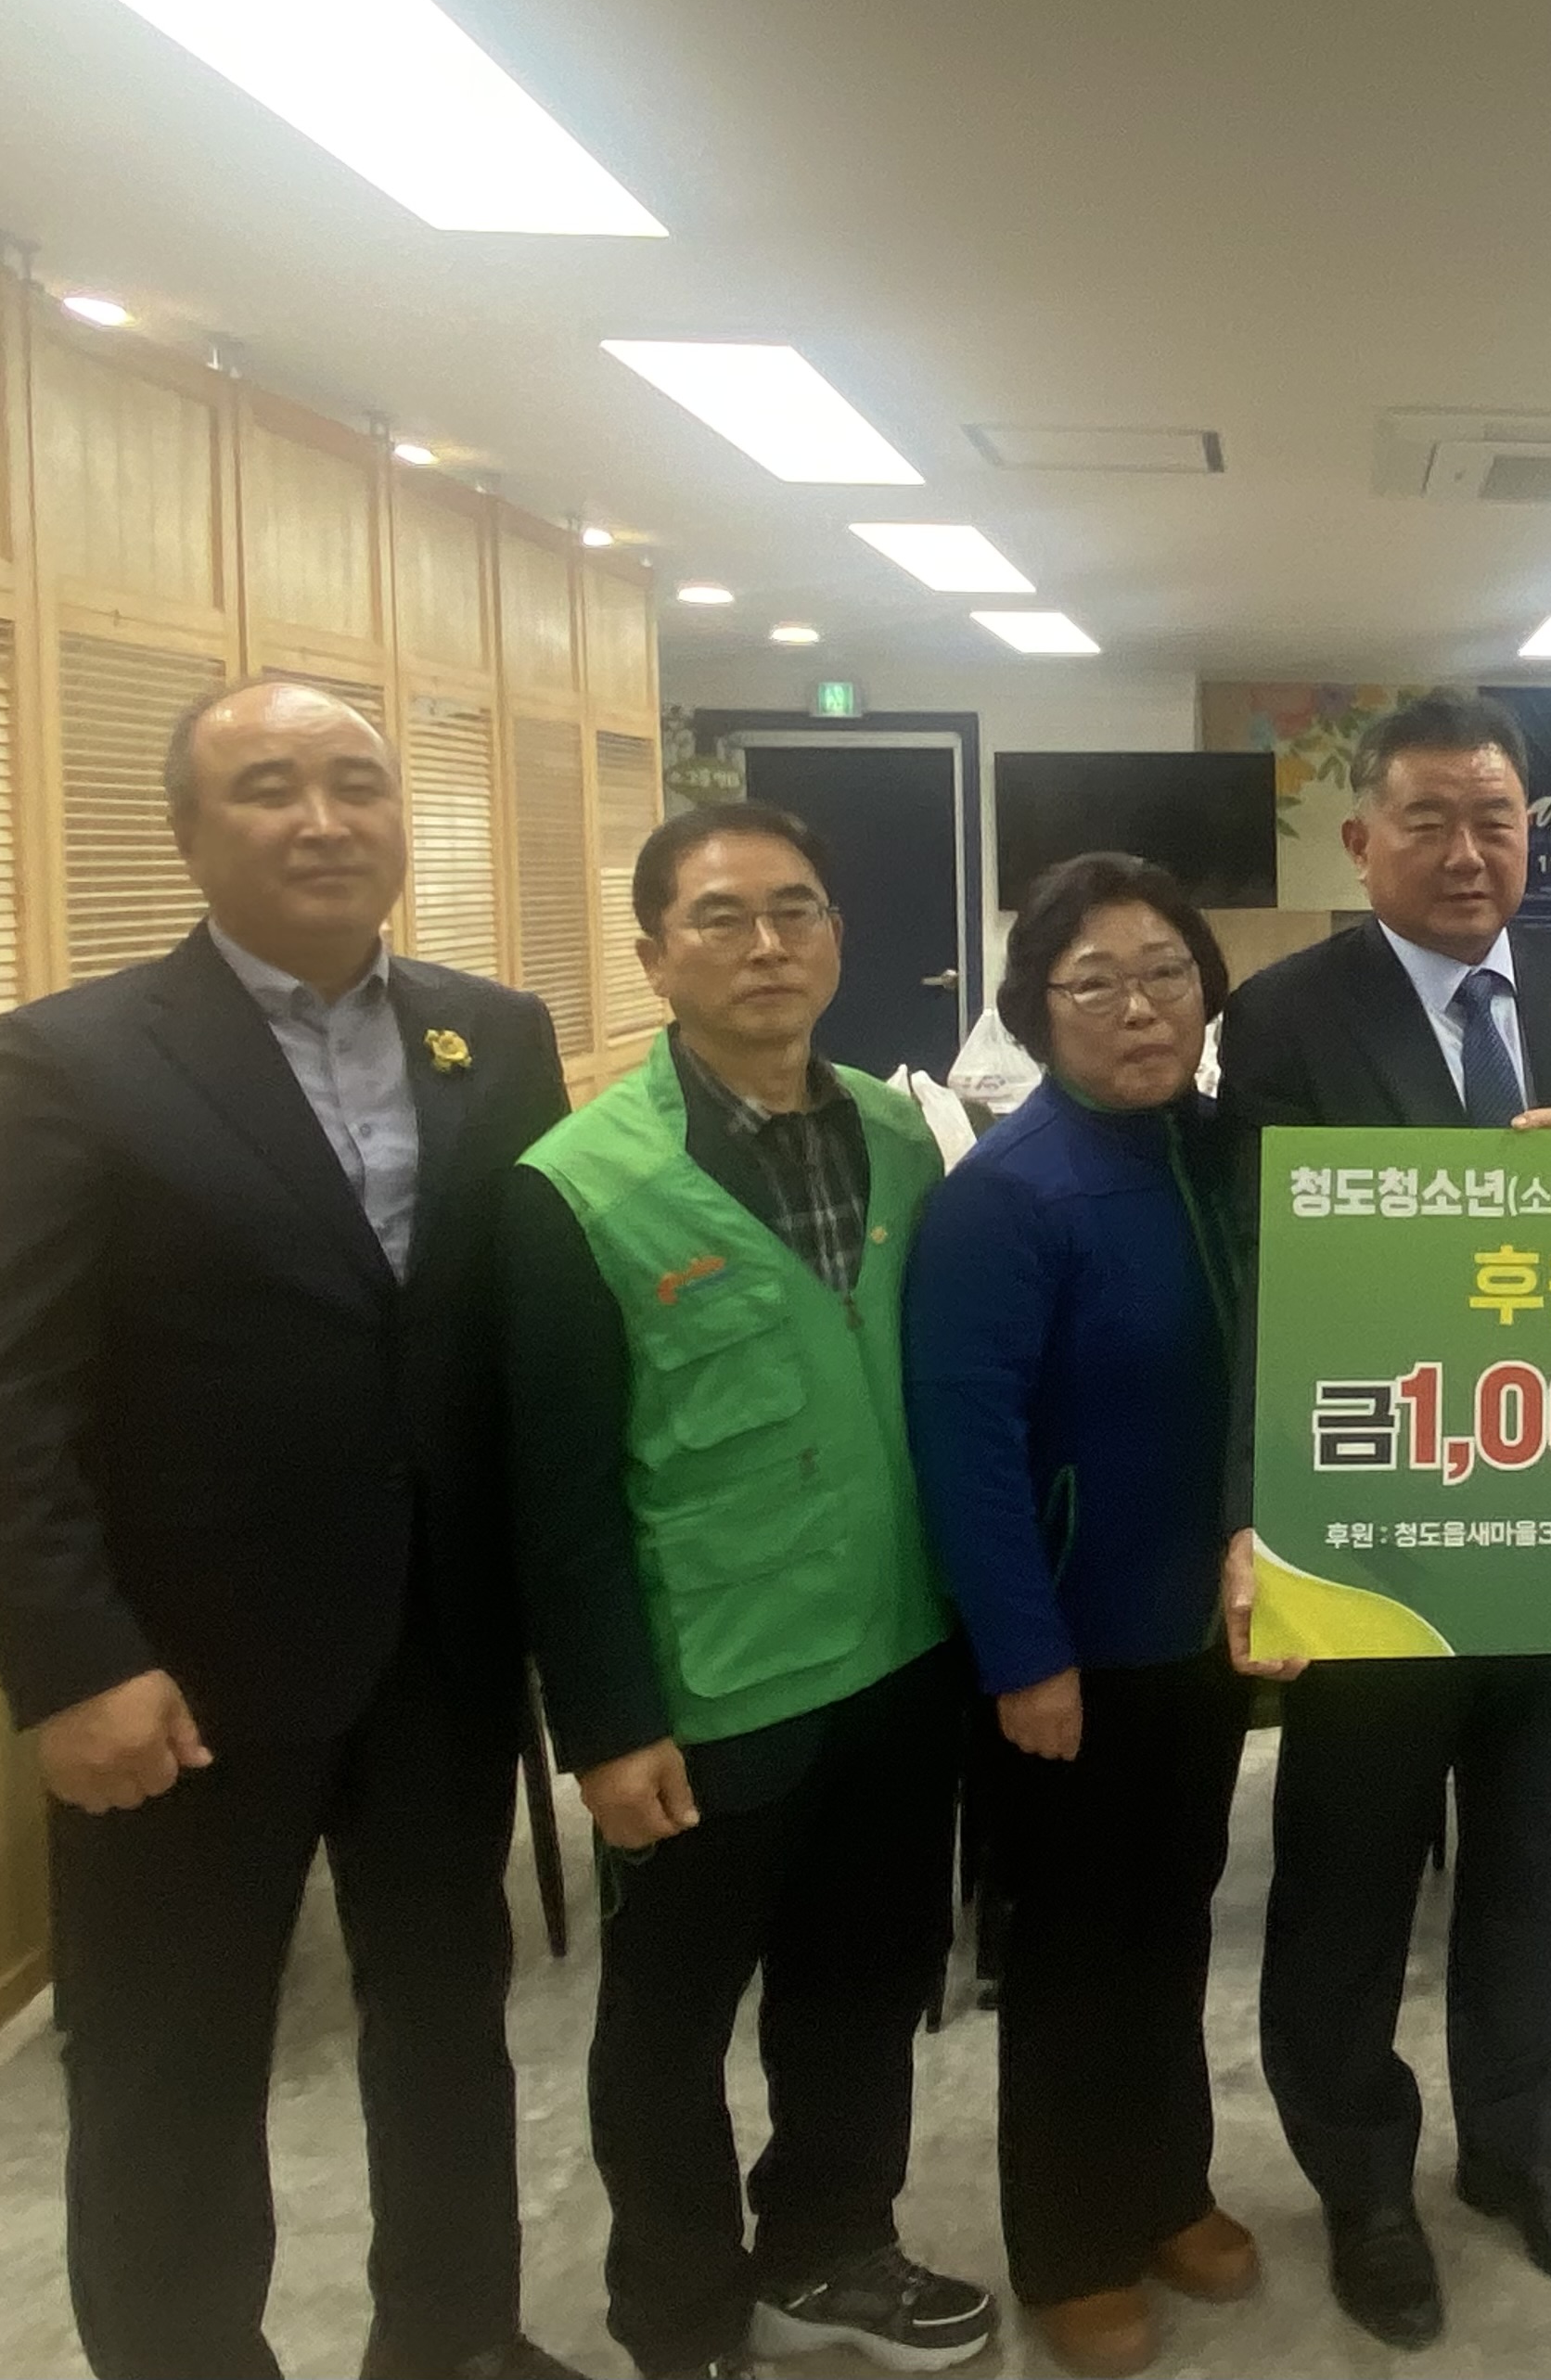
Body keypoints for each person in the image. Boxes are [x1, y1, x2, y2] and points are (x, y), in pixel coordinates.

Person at [0, 678, 573, 2380]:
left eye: (357, 782)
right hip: (183, 1672)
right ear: (186, 832)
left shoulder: (493, 1034)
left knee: (448, 2021)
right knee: (170, 2061)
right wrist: (73, 1662)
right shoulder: (72, 1059)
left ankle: (454, 2337)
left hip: (438, 1646)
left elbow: (510, 1337)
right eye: (270, 786)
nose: (323, 819)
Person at [503, 801, 993, 2380]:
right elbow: (556, 1492)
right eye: (720, 917)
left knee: (862, 1987)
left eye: (796, 910)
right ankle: (679, 2315)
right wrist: (605, 1721)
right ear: (654, 956)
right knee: (668, 2025)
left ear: (836, 937)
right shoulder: (579, 1183)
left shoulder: (902, 1135)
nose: (766, 943)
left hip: (897, 1655)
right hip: (707, 1689)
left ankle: (831, 2247)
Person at [1214, 689, 1551, 2349]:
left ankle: (1519, 2150)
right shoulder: (1284, 1013)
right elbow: (1263, 1275)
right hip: (1377, 1522)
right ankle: (1360, 2179)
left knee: (1543, 1861)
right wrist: (1254, 1519)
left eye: (1494, 817)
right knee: (1346, 1872)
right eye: (1428, 819)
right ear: (1361, 839)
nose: (1466, 850)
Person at [904, 854, 1257, 2378]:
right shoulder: (1007, 1191)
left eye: (1167, 971)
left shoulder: (1222, 1151)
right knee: (1066, 1956)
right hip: (1069, 1646)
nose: (1139, 1007)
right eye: (1094, 981)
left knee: (1169, 1925)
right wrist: (1023, 1651)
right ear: (1034, 1009)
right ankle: (1069, 2243)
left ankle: (1165, 2184)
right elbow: (964, 1443)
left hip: (1198, 1634)